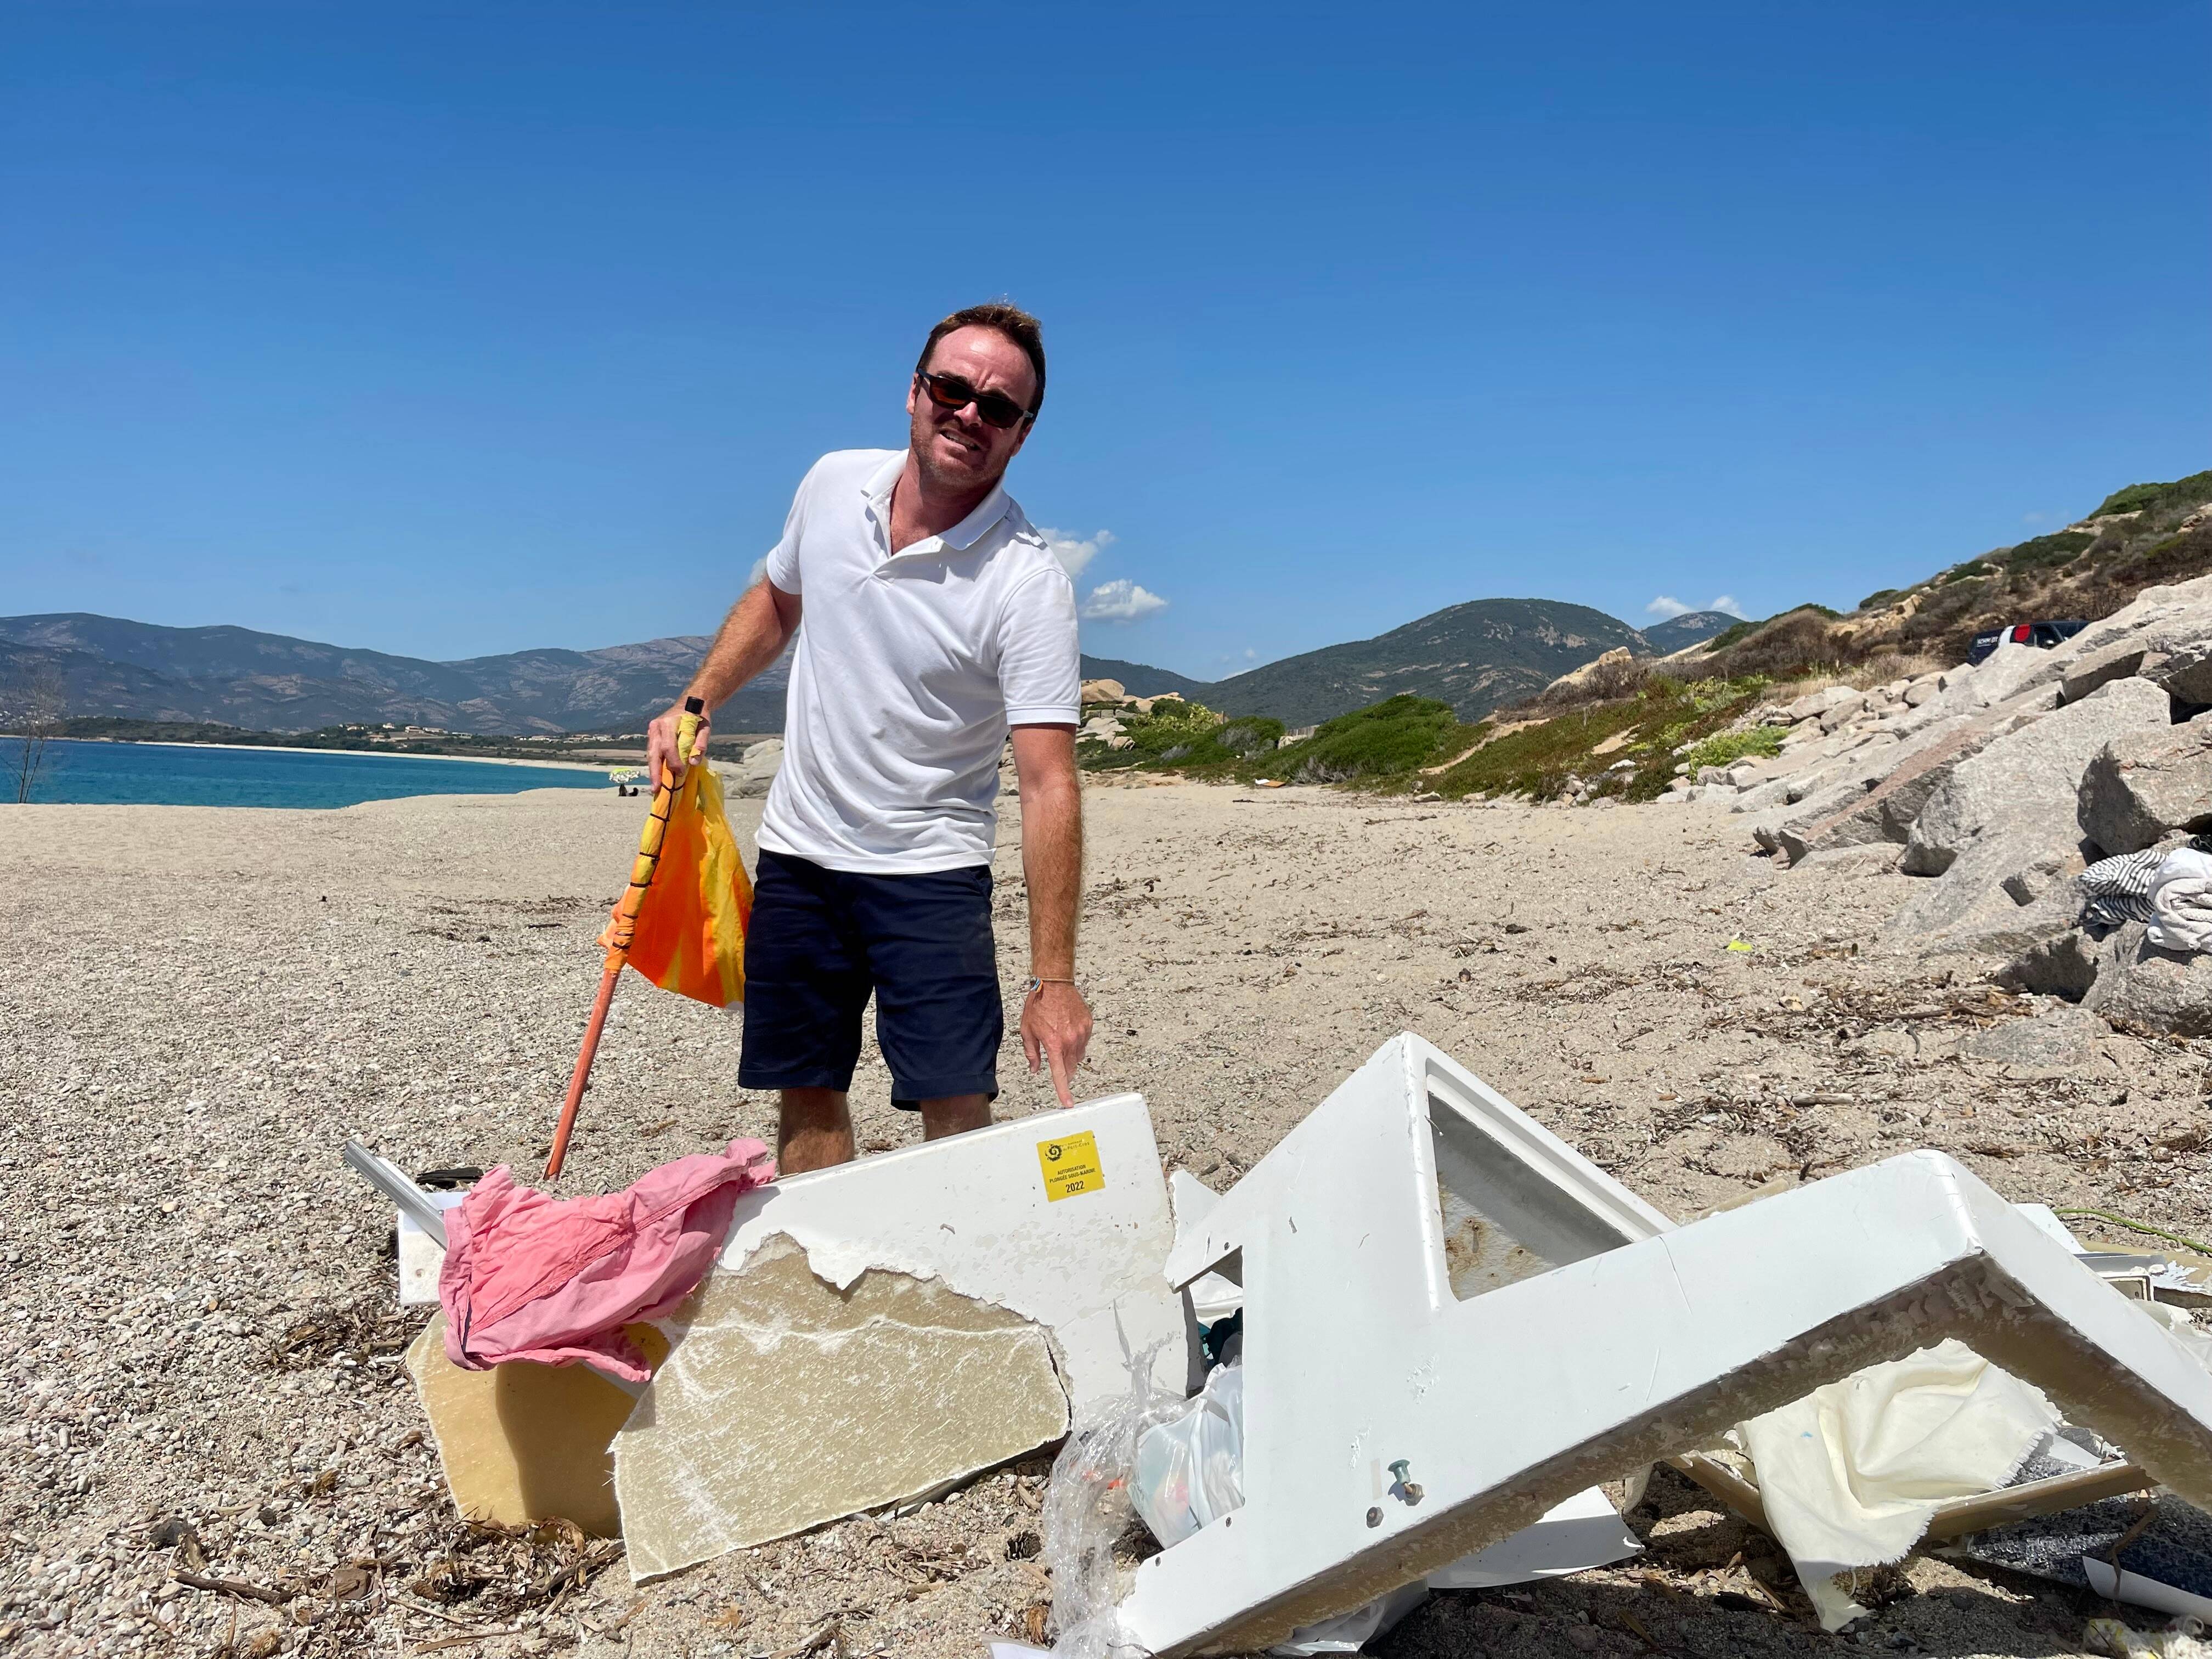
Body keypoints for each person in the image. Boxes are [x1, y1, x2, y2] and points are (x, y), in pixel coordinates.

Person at [647, 302, 1093, 1175]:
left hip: (931, 870)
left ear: (1021, 435)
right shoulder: (831, 483)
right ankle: (830, 1281)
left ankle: (960, 1284)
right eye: (952, 388)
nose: (969, 414)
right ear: (914, 392)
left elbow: (1049, 783)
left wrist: (1056, 980)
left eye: (998, 408)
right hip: (802, 854)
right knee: (807, 1085)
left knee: (956, 1101)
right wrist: (696, 702)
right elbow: (779, 601)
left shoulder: (1027, 581)